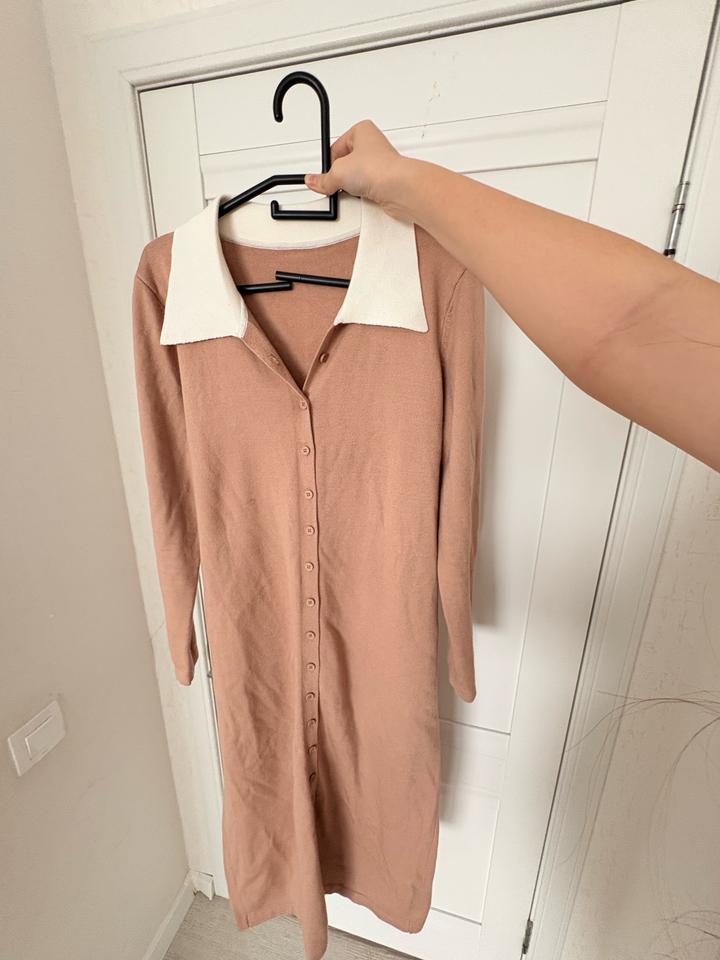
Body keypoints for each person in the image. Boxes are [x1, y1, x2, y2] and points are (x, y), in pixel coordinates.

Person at [304, 120, 720, 473]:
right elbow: (635, 329)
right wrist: (402, 182)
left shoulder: (441, 277)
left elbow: (635, 329)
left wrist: (403, 182)